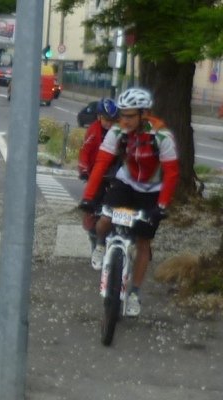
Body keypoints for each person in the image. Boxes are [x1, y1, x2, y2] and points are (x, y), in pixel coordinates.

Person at [79, 87, 180, 317]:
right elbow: (102, 163)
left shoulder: (162, 136)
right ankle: (102, 245)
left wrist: (162, 206)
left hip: (152, 190)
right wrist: (88, 197)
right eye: (122, 115)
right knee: (105, 218)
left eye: (129, 115)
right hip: (126, 183)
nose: (123, 120)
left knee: (144, 243)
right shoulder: (118, 132)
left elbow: (172, 173)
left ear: (144, 114)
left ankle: (134, 292)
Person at [77, 98, 119, 248]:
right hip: (96, 171)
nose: (109, 123)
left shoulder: (119, 131)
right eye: (106, 120)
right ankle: (93, 232)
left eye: (113, 120)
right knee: (93, 200)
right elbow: (85, 152)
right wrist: (83, 170)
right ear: (99, 117)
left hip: (114, 171)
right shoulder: (93, 131)